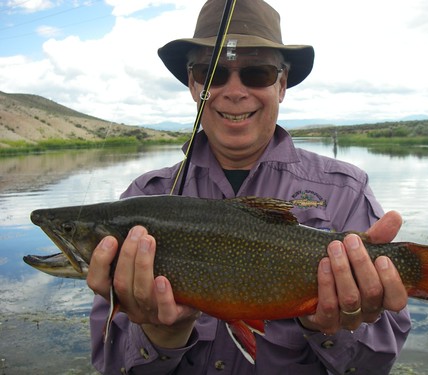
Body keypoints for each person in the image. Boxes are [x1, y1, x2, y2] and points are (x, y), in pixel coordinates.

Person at [87, 0, 411, 373]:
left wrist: (327, 326)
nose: (235, 91)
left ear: (282, 85)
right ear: (194, 85)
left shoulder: (347, 191)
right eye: (213, 73)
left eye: (257, 73)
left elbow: (377, 363)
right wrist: (161, 337)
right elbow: (109, 364)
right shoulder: (143, 200)